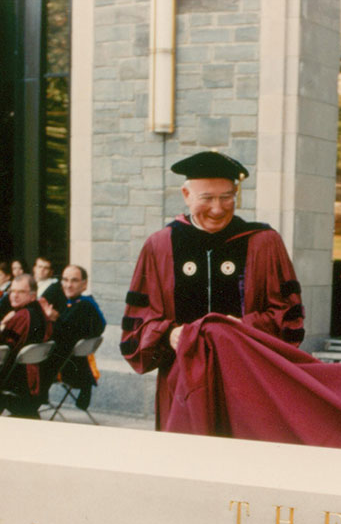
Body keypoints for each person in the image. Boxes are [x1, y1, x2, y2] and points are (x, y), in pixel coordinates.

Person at [121, 150, 305, 427]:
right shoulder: (160, 246)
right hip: (181, 380)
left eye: (227, 197)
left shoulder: (263, 243)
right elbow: (137, 326)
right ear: (186, 195)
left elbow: (289, 315)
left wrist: (244, 327)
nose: (218, 209)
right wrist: (168, 334)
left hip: (248, 379)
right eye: (206, 198)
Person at [41, 263, 106, 410]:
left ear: (84, 284)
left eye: (74, 280)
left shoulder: (84, 306)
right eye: (65, 280)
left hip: (69, 369)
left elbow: (64, 336)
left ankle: (31, 406)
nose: (68, 285)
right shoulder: (80, 304)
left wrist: (54, 319)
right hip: (79, 368)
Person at [0, 273, 52, 418]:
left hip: (17, 382)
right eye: (12, 291)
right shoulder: (40, 312)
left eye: (21, 292)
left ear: (33, 296)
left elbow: (3, 350)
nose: (14, 295)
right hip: (35, 380)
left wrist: (2, 325)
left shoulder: (22, 316)